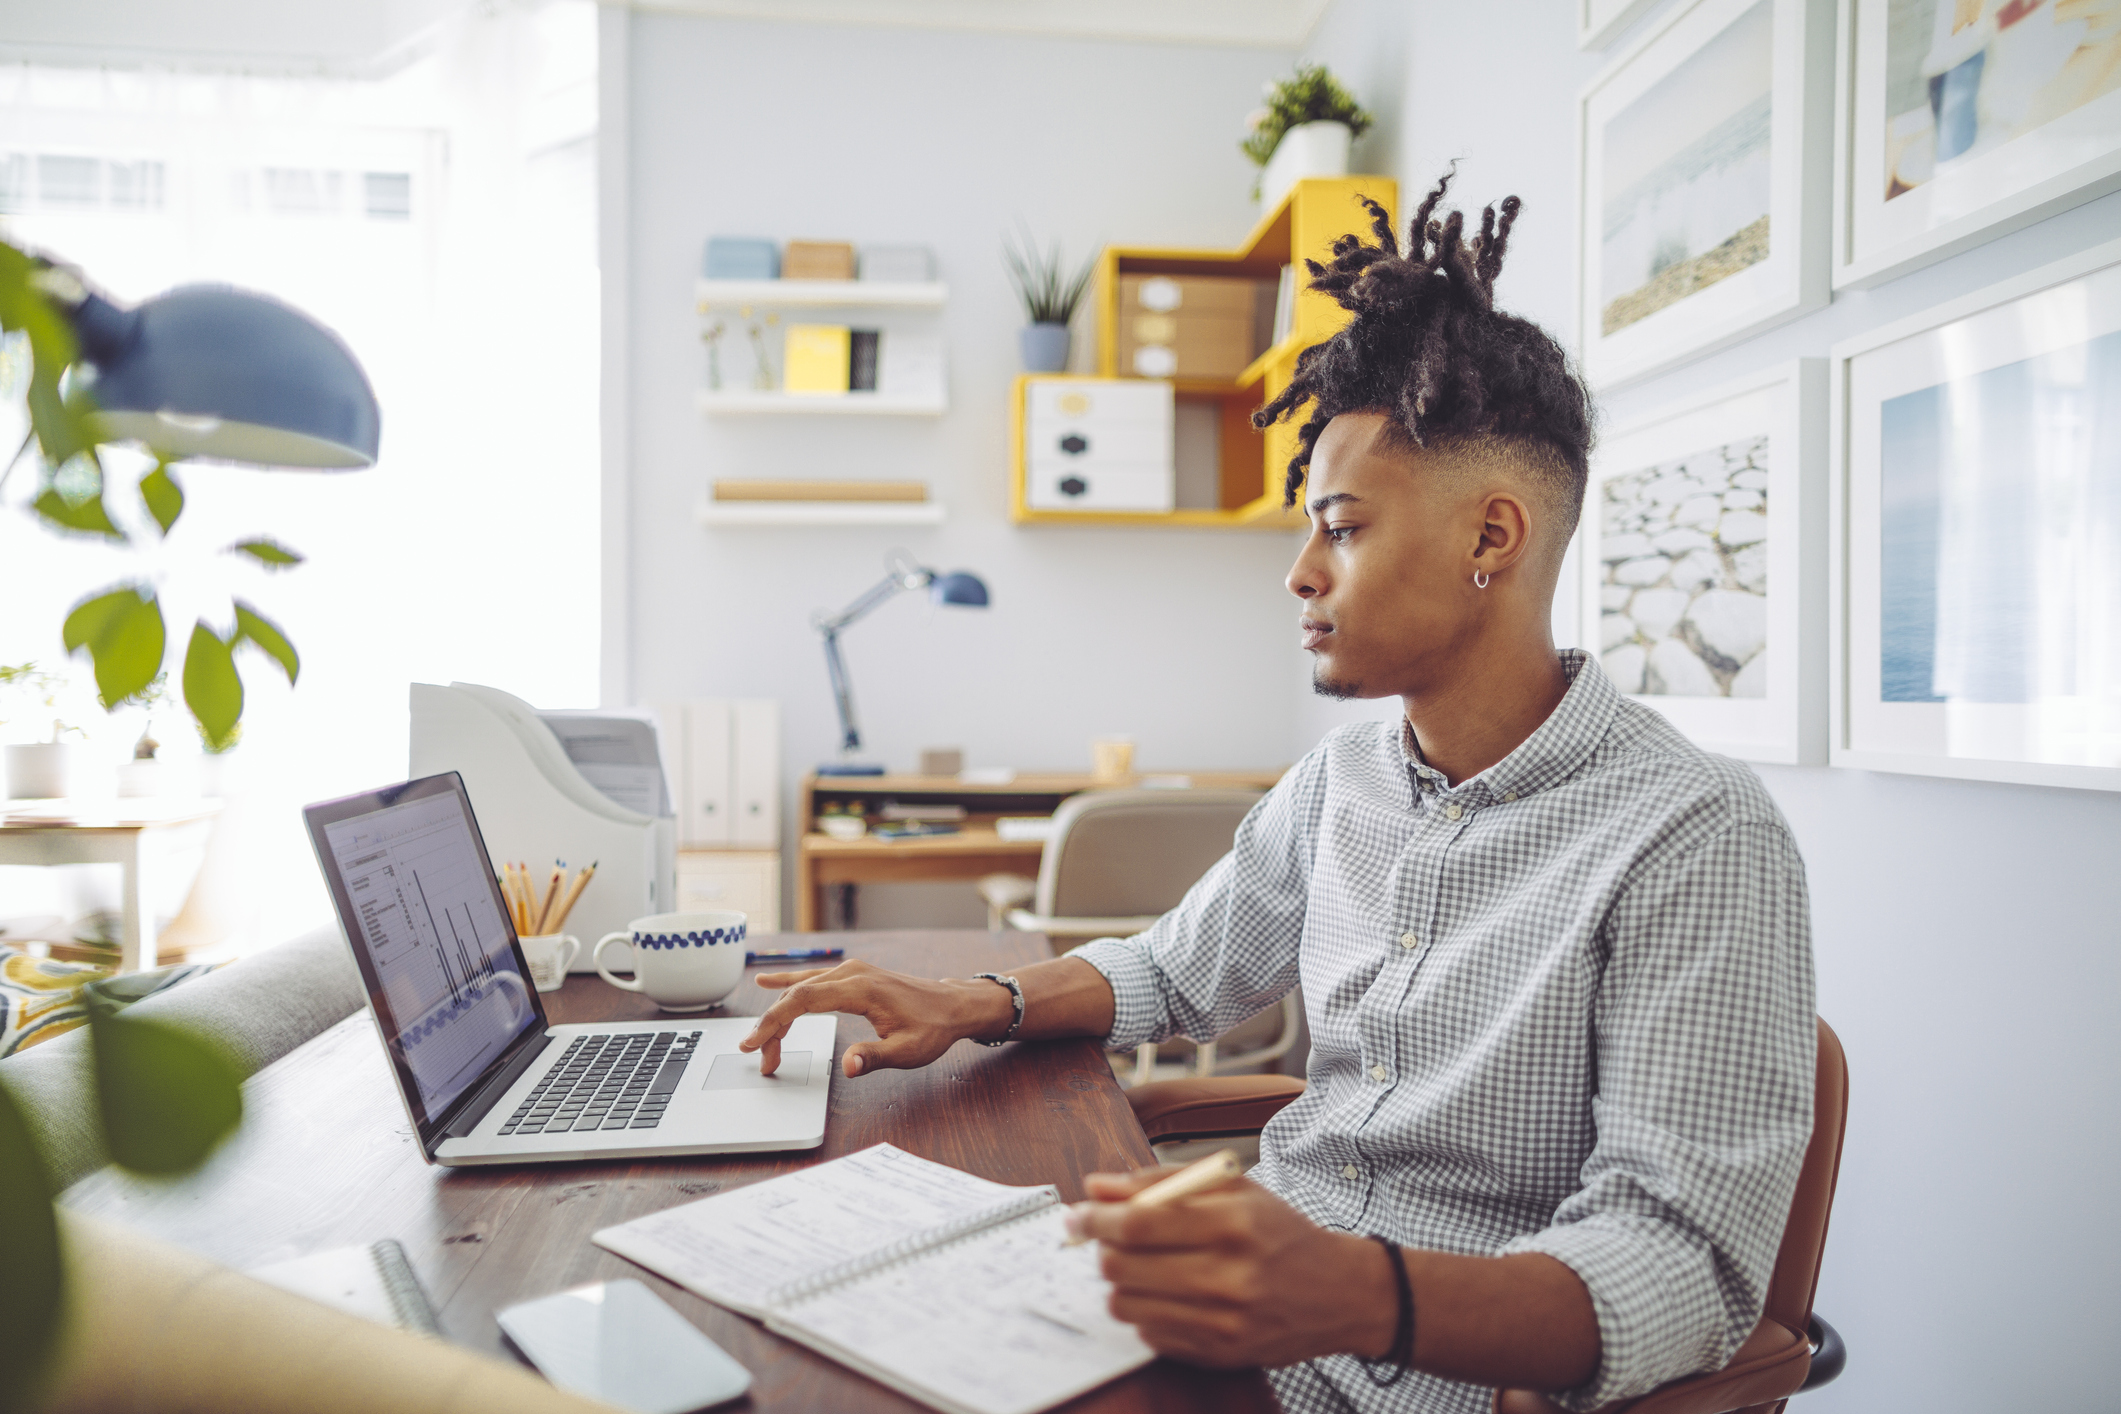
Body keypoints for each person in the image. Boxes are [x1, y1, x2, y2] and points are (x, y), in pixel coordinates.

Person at [739, 172, 1816, 1414]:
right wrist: (972, 997)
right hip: (1238, 1333)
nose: (1300, 574)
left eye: (1342, 529)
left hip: (1431, 1379)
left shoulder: (1696, 835)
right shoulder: (1343, 778)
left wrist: (1356, 1295)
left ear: (1492, 538)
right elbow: (1176, 972)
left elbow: (1680, 1269)